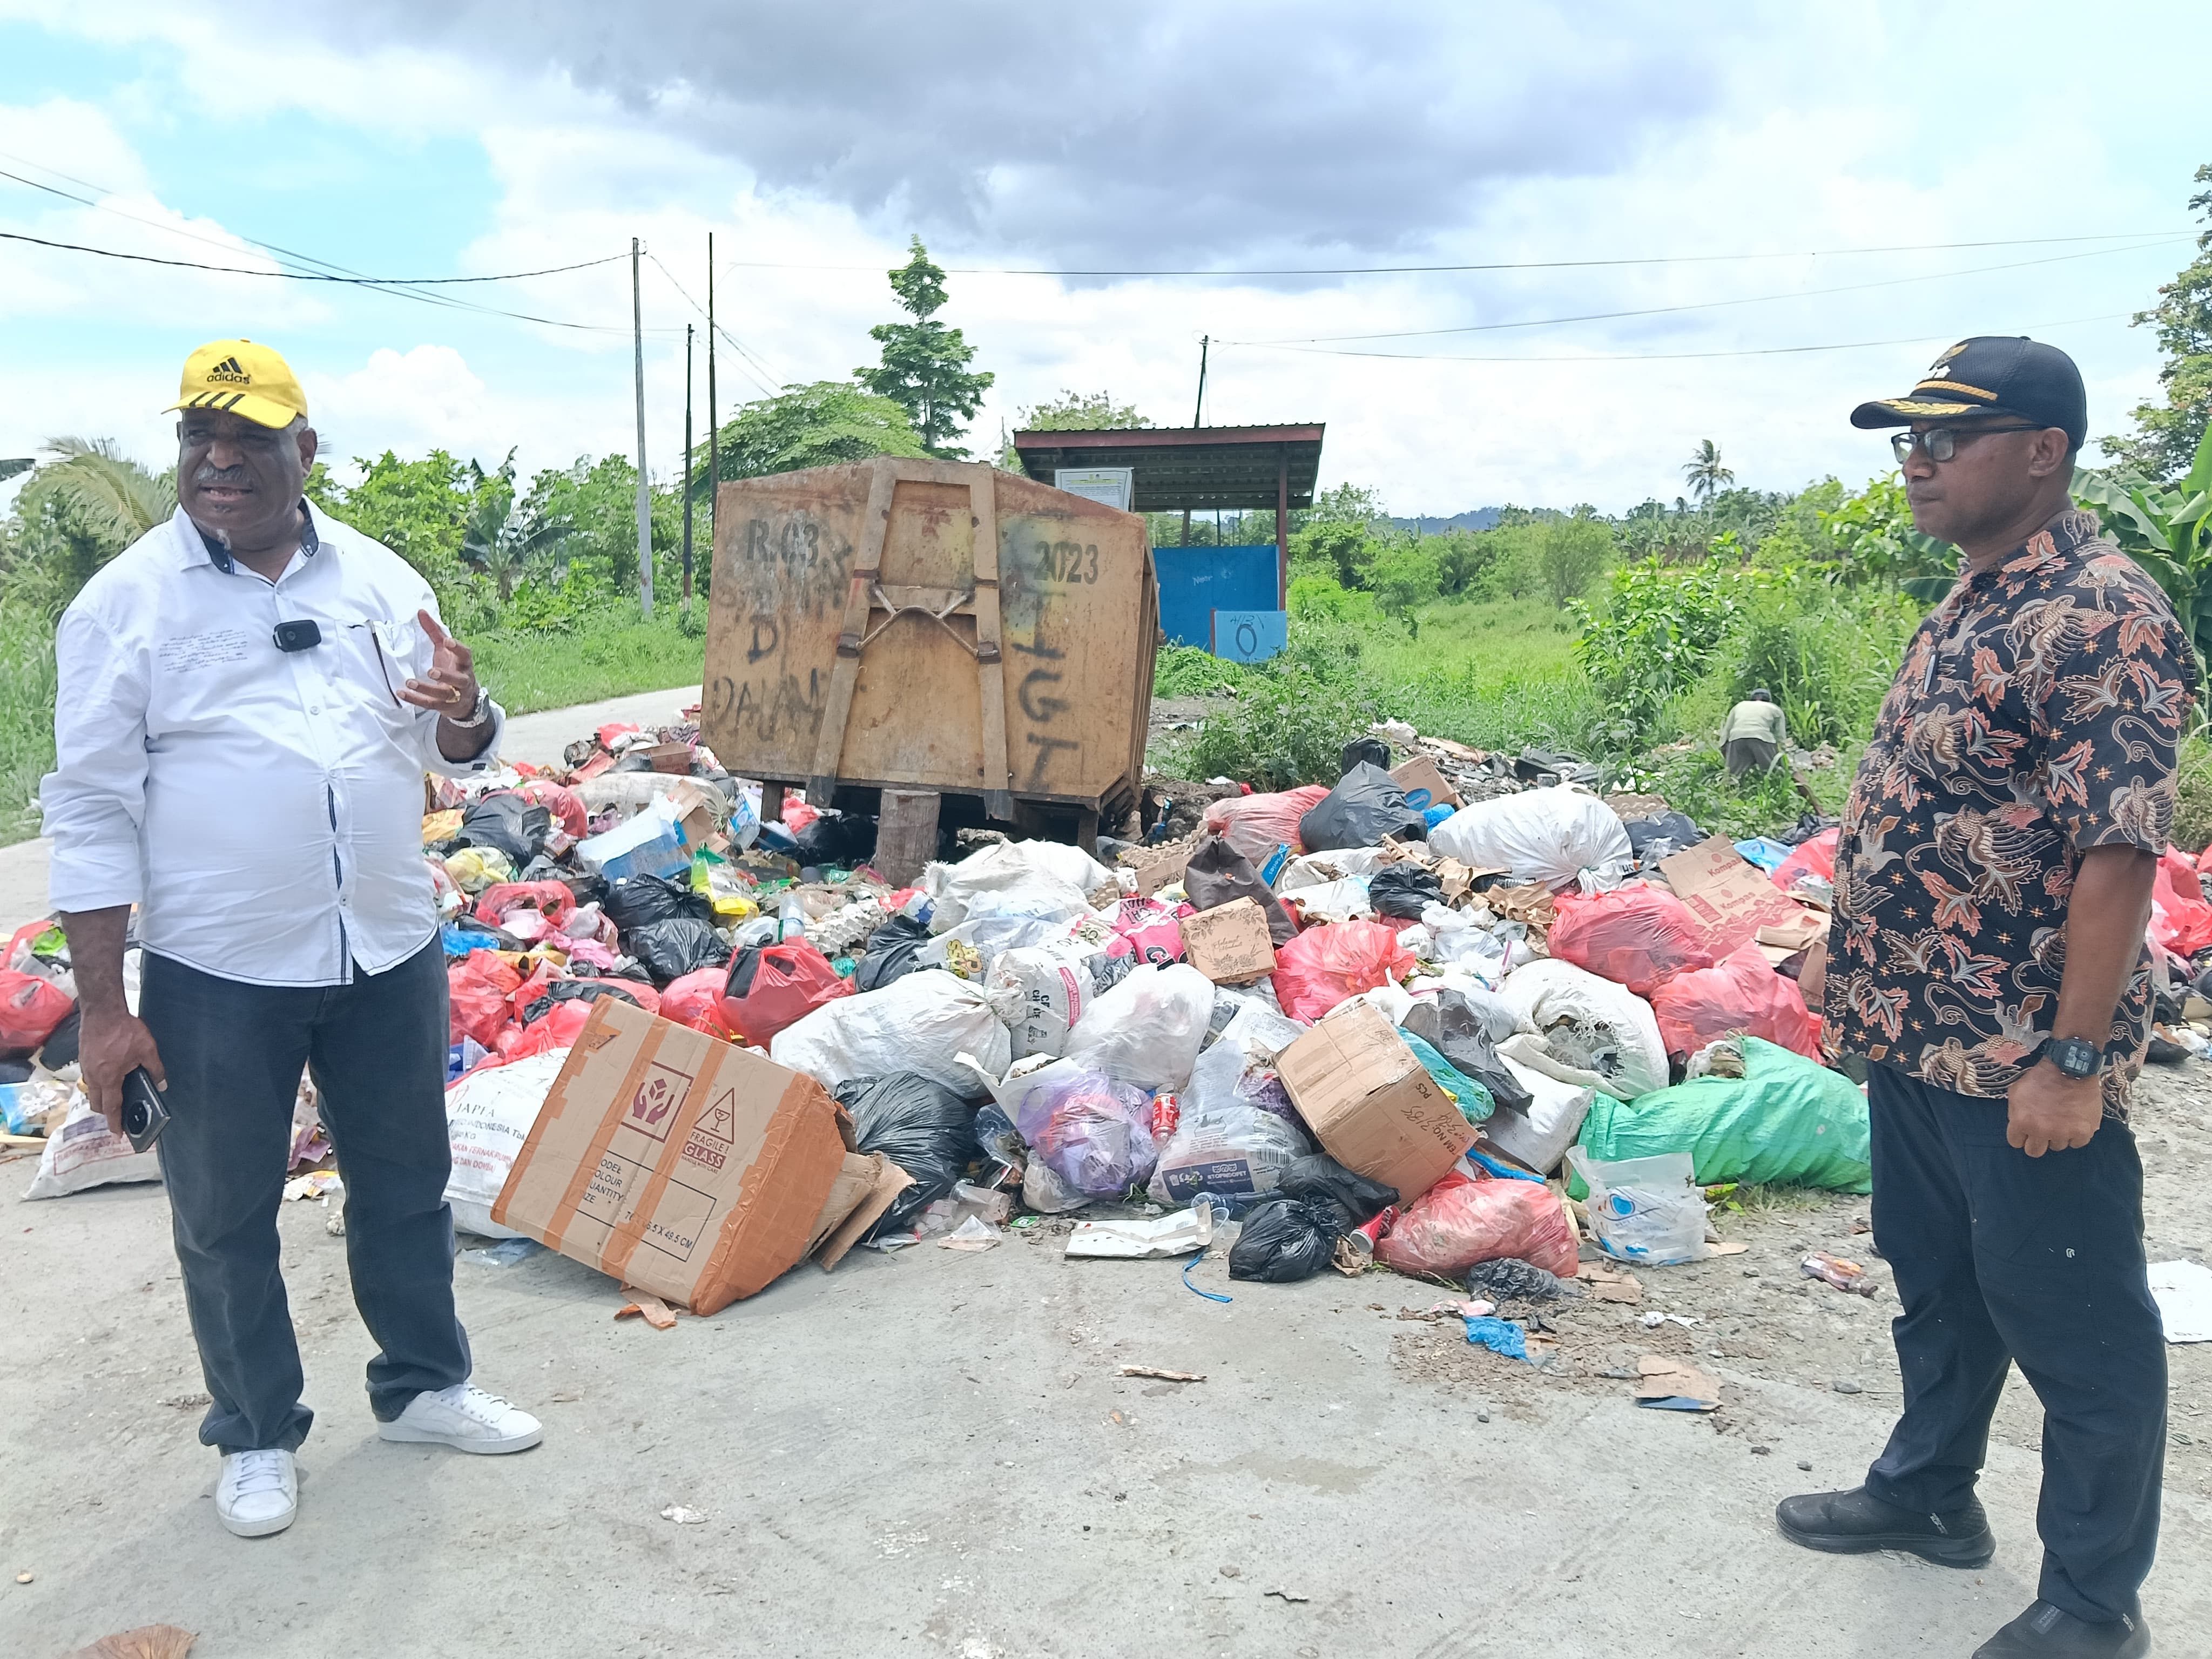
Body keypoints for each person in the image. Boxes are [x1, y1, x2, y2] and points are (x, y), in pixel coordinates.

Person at [43, 340, 544, 1541]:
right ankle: (256, 1431)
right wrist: (105, 1011)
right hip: (220, 970)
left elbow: (447, 744)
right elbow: (92, 811)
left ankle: (423, 1387)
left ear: (303, 450)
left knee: (406, 1184)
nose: (220, 461)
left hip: (385, 946)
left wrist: (468, 713)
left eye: (249, 438)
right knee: (224, 1214)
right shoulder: (125, 605)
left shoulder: (378, 577)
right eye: (199, 437)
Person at [1777, 337, 2187, 1658]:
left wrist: (2073, 1057)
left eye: (1947, 438)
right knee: (1936, 1281)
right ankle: (1929, 1491)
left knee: (2077, 1324)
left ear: (2043, 452)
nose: (1918, 462)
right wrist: (1846, 945)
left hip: (2017, 1051)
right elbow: (1928, 803)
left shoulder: (2102, 611)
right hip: (1915, 1033)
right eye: (1911, 439)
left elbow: (2116, 855)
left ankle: (2092, 1601)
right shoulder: (1972, 596)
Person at [1721, 687, 1788, 777]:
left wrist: (1723, 746)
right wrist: (1784, 753)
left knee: (1733, 775)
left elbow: (1727, 729)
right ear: (1769, 700)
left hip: (1737, 738)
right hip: (1762, 737)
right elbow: (1780, 735)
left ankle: (1729, 784)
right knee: (1771, 773)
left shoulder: (1740, 706)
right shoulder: (1775, 708)